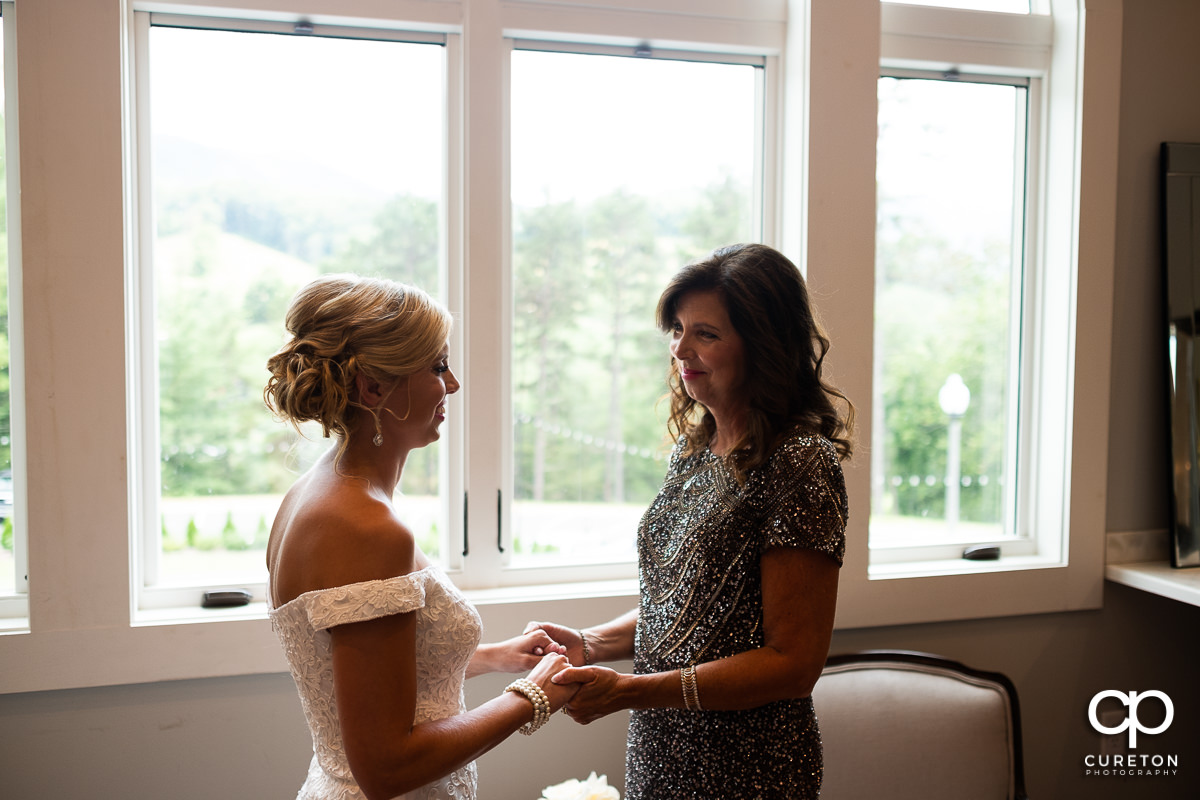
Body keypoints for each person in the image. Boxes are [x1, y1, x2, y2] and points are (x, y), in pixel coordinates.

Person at [527, 243, 855, 799]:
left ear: (764, 345)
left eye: (706, 333)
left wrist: (629, 691)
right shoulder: (695, 448)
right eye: (677, 328)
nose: (681, 348)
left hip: (748, 766)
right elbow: (687, 604)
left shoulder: (799, 462)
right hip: (661, 748)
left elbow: (793, 663)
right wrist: (592, 643)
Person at [263, 274, 577, 800]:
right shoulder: (365, 526)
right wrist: (531, 696)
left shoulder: (317, 493)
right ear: (372, 388)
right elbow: (387, 769)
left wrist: (498, 656)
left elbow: (372, 675)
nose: (452, 384)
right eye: (437, 367)